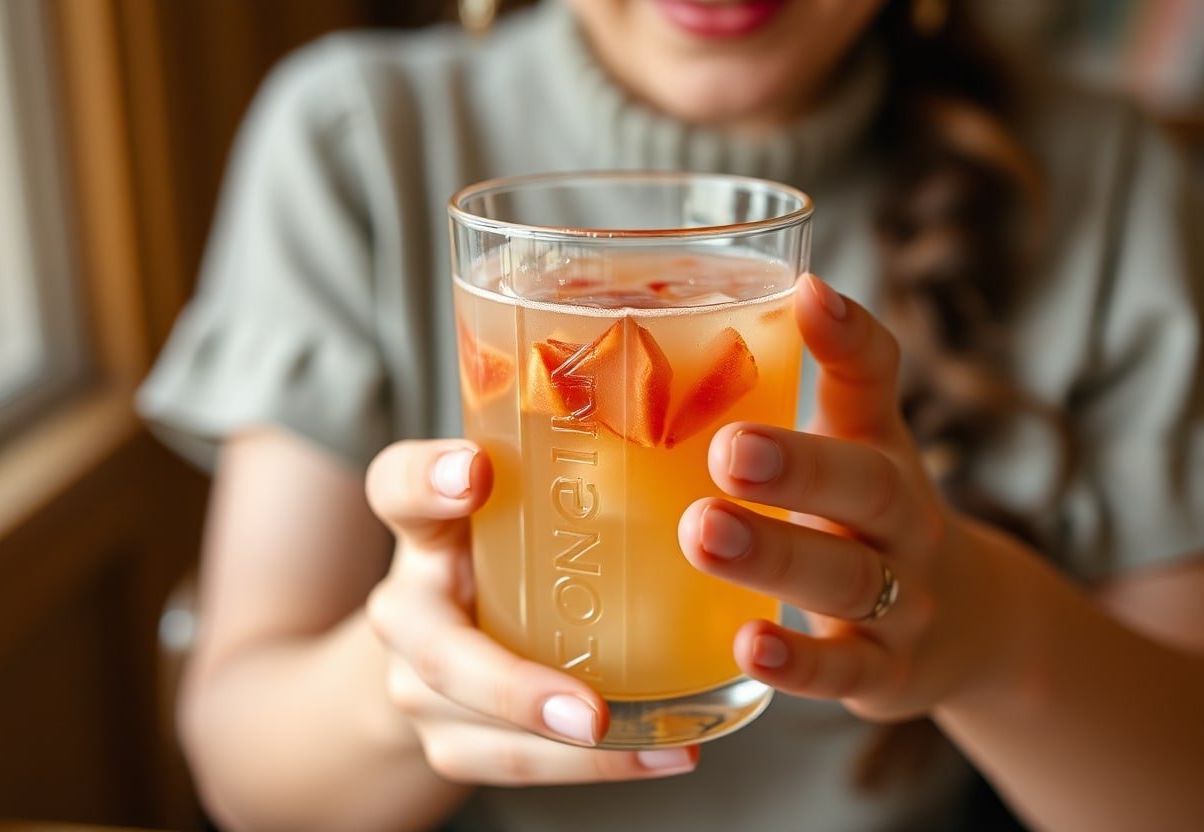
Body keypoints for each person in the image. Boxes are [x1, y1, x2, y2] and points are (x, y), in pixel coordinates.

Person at [138, 1, 1204, 830]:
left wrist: (980, 628)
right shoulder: (352, 137)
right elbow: (247, 776)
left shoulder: (1109, 183)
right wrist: (399, 687)